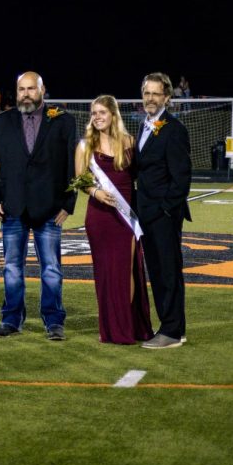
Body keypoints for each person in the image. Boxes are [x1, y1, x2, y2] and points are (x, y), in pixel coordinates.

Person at [0, 71, 78, 341]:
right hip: (11, 208)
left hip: (50, 208)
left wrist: (69, 204)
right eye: (21, 89)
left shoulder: (63, 121)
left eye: (31, 89)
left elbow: (72, 164)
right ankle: (12, 319)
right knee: (11, 267)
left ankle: (54, 321)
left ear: (42, 90)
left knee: (52, 269)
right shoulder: (0, 122)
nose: (26, 94)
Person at [75, 95, 153, 345]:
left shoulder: (129, 142)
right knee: (106, 273)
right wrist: (95, 191)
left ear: (113, 114)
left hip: (125, 217)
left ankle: (125, 326)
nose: (97, 117)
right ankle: (109, 328)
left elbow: (141, 177)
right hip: (99, 217)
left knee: (125, 271)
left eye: (102, 113)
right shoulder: (85, 145)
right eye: (93, 113)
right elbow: (80, 179)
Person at [135, 73, 192, 349]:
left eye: (156, 94)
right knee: (156, 271)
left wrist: (166, 210)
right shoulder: (143, 126)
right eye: (147, 93)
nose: (150, 99)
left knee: (168, 271)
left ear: (167, 98)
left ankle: (172, 330)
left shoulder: (174, 129)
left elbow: (182, 178)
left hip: (164, 216)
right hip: (146, 214)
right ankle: (169, 327)